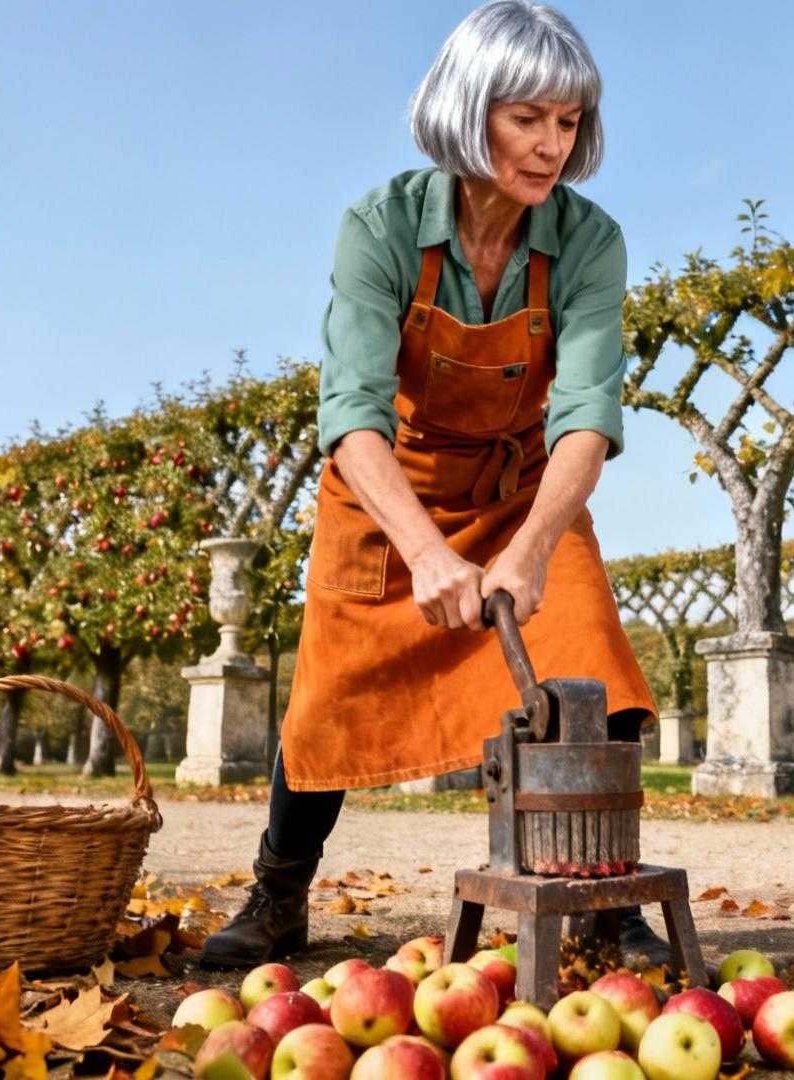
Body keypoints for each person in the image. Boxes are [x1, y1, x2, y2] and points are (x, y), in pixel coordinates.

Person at [202, 0, 665, 970]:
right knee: (327, 698)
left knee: (596, 671)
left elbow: (587, 415)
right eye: (525, 118)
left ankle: (602, 902)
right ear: (469, 109)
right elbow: (352, 416)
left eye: (568, 122)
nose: (549, 146)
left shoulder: (588, 241)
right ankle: (278, 895)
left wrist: (531, 550)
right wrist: (424, 551)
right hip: (390, 496)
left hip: (519, 490)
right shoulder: (379, 227)